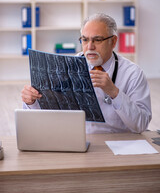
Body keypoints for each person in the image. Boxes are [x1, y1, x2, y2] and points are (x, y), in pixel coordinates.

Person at [22, 13, 152, 134]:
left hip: (118, 143)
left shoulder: (133, 74)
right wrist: (32, 101)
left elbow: (141, 125)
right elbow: (49, 116)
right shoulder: (67, 66)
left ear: (113, 42)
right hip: (76, 139)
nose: (90, 47)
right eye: (85, 40)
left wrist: (114, 92)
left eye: (97, 40)